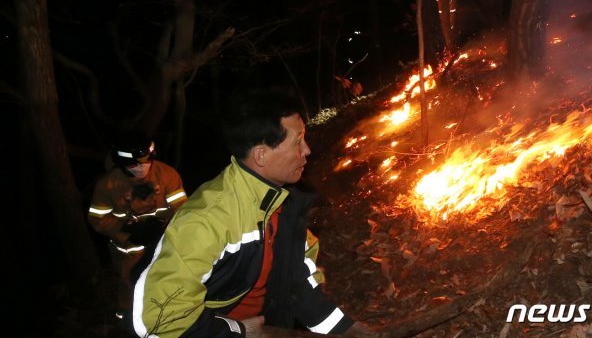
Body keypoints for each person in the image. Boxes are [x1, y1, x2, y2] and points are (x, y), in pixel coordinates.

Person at [132, 89, 376, 338]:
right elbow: (159, 319)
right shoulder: (206, 220)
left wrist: (345, 330)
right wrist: (238, 331)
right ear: (261, 155)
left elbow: (297, 282)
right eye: (298, 141)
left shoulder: (285, 204)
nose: (307, 150)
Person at [88, 131, 188, 320]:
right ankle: (125, 317)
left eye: (147, 160)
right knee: (128, 284)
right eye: (136, 164)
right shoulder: (107, 185)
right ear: (123, 162)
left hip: (162, 241)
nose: (143, 167)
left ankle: (164, 317)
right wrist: (127, 233)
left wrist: (166, 231)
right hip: (128, 250)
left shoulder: (166, 175)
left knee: (165, 280)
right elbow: (97, 218)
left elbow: (183, 210)